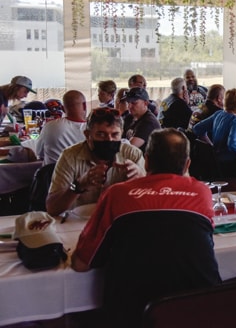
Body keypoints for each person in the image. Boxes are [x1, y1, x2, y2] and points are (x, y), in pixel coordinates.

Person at [71, 128, 220, 327]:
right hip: (198, 312)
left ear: (146, 161)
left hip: (133, 314)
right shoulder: (202, 192)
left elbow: (81, 264)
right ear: (187, 164)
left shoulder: (117, 194)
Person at [46, 107, 145, 216]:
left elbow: (151, 200)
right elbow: (52, 208)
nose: (109, 140)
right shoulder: (70, 157)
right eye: (101, 135)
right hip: (78, 221)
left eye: (115, 135)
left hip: (118, 219)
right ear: (87, 135)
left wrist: (142, 179)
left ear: (121, 134)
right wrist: (78, 185)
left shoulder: (132, 155)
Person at [35, 90, 87, 166]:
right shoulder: (94, 131)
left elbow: (39, 153)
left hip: (52, 172)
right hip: (83, 172)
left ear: (63, 108)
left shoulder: (49, 126)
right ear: (85, 106)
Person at [123, 87, 161, 153]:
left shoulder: (149, 122)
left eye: (134, 103)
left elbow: (128, 149)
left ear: (145, 103)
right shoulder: (129, 117)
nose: (129, 106)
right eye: (128, 103)